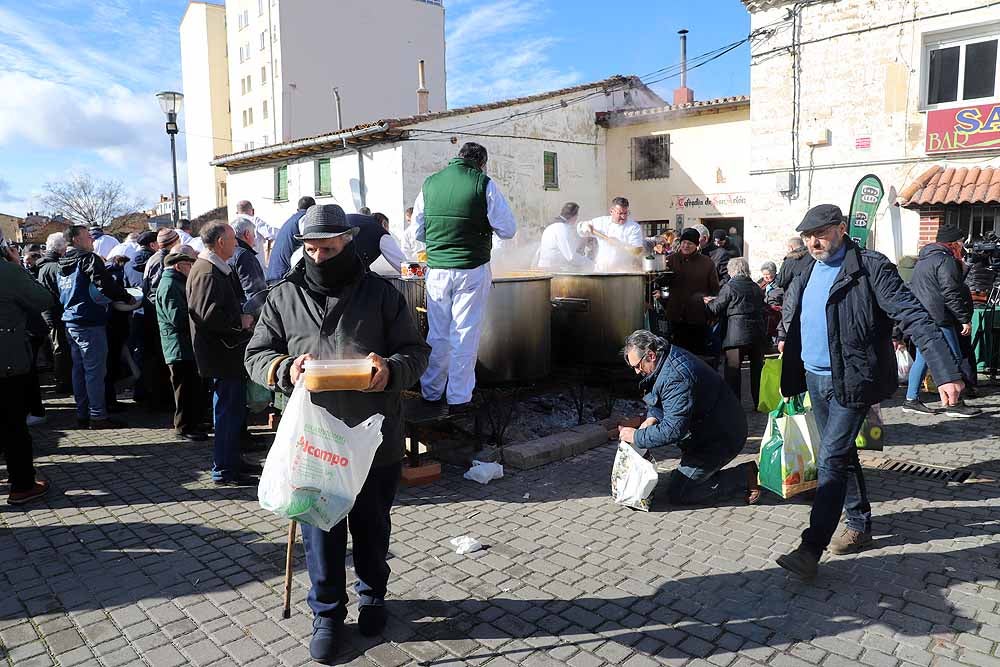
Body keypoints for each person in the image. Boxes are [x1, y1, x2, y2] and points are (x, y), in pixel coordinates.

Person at [245, 204, 430, 662]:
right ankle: (327, 614)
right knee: (320, 531)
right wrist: (285, 368)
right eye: (311, 249)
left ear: (348, 242)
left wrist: (391, 370)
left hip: (373, 437)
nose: (319, 256)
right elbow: (255, 356)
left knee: (371, 525)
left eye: (328, 248)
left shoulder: (382, 294)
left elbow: (416, 351)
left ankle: (372, 596)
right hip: (313, 439)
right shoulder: (283, 296)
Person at [775, 204, 964, 579]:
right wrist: (784, 337)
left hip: (853, 379)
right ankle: (859, 525)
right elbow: (795, 311)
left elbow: (913, 314)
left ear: (842, 229)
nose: (814, 241)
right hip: (815, 378)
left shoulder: (870, 267)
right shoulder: (806, 267)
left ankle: (811, 547)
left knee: (830, 457)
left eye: (823, 233)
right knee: (842, 454)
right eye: (809, 235)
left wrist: (944, 371)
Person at [411, 142, 517, 411]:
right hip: (471, 269)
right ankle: (458, 398)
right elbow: (508, 229)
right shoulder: (483, 183)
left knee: (437, 334)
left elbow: (417, 233)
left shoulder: (430, 184)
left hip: (436, 271)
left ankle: (431, 393)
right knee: (464, 334)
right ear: (481, 163)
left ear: (458, 158)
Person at [618, 330, 760, 506]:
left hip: (722, 437)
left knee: (681, 493)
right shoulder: (665, 360)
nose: (637, 372)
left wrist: (636, 437)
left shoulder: (676, 377)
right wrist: (652, 418)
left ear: (651, 355)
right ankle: (698, 475)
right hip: (708, 431)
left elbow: (673, 430)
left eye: (638, 366)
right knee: (679, 480)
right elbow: (661, 398)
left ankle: (744, 476)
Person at [187, 222, 254, 484]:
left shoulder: (213, 268)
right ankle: (225, 469)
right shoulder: (206, 271)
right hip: (221, 355)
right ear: (220, 243)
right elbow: (207, 315)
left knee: (232, 411)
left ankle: (232, 461)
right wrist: (240, 321)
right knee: (227, 412)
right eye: (232, 239)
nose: (236, 243)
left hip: (226, 354)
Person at [57, 225, 134, 429]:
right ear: (76, 240)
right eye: (87, 237)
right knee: (95, 372)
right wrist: (126, 296)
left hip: (71, 320)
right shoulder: (87, 259)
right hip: (89, 321)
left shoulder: (61, 263)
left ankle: (83, 413)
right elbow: (104, 283)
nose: (91, 241)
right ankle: (98, 416)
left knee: (79, 370)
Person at [903, 225, 980, 417]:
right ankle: (954, 404)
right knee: (952, 356)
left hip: (923, 316)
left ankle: (911, 399)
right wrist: (963, 319)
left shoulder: (923, 260)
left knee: (924, 356)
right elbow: (951, 291)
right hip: (939, 317)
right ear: (953, 244)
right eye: (961, 243)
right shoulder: (944, 261)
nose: (962, 247)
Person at [1, 239, 55, 504]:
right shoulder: (7, 272)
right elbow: (44, 299)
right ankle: (22, 485)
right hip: (7, 362)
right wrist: (17, 266)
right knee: (14, 426)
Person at [155, 249, 207, 441]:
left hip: (183, 346)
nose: (192, 268)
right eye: (188, 265)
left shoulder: (175, 282)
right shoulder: (169, 285)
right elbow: (177, 318)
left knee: (190, 387)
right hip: (178, 347)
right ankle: (184, 428)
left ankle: (192, 423)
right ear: (178, 266)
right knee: (183, 389)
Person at [705, 257, 767, 406]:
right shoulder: (756, 287)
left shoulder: (730, 286)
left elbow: (715, 309)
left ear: (732, 270)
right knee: (757, 370)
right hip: (757, 333)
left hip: (736, 334)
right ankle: (760, 402)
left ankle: (734, 404)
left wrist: (708, 302)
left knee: (733, 371)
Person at [663, 228, 719, 355]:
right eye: (684, 242)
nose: (685, 246)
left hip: (697, 316)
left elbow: (714, 289)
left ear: (696, 245)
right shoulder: (671, 260)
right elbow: (662, 285)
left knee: (697, 353)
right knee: (676, 353)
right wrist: (664, 300)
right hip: (675, 314)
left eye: (690, 243)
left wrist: (711, 311)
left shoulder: (707, 263)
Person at [37, 232, 72, 393]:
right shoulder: (54, 267)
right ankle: (63, 382)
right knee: (61, 349)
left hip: (50, 313)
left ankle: (62, 380)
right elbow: (63, 292)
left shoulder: (45, 265)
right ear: (62, 248)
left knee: (58, 348)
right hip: (56, 314)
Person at [576, 197, 643, 272]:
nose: (623, 217)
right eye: (620, 213)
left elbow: (636, 250)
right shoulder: (601, 222)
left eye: (626, 213)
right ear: (611, 211)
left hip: (622, 271)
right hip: (601, 269)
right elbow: (580, 229)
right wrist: (585, 226)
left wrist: (620, 244)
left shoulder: (634, 227)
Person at [266, 196, 315, 285]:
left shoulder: (291, 220)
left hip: (274, 273)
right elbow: (310, 242)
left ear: (297, 209)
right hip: (284, 276)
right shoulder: (305, 218)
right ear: (313, 209)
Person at [230, 217, 269, 318]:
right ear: (247, 234)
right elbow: (255, 294)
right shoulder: (244, 255)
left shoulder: (228, 252)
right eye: (254, 235)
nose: (255, 240)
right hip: (246, 317)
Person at [536, 202, 592, 271]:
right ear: (574, 216)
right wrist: (591, 264)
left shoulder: (553, 226)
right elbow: (571, 257)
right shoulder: (562, 228)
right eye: (577, 215)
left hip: (548, 267)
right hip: (553, 270)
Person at [234, 200, 277, 268]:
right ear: (253, 211)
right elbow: (271, 234)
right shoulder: (255, 221)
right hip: (256, 264)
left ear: (237, 212)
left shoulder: (233, 224)